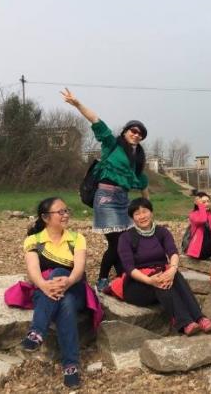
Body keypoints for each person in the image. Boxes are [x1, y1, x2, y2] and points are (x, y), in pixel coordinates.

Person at [62, 88, 149, 292]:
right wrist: (77, 103)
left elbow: (142, 183)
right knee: (117, 242)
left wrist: (147, 207)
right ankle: (102, 279)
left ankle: (122, 275)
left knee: (125, 240)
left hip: (123, 200)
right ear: (125, 131)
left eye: (140, 134)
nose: (136, 135)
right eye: (133, 130)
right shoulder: (113, 145)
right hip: (106, 198)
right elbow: (96, 121)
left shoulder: (137, 158)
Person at [18, 197, 93, 388]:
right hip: (45, 291)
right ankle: (71, 367)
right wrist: (44, 285)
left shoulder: (77, 238)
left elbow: (78, 270)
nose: (65, 215)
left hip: (75, 287)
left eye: (66, 211)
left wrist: (68, 281)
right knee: (66, 303)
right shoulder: (33, 240)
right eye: (60, 212)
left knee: (60, 272)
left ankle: (36, 332)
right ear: (45, 217)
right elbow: (33, 270)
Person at [117, 197, 211, 335]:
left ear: (151, 212)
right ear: (132, 218)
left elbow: (173, 252)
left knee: (174, 275)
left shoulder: (162, 232)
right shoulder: (126, 238)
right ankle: (185, 323)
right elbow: (129, 268)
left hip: (160, 274)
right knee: (160, 282)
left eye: (144, 211)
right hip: (137, 284)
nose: (142, 216)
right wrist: (150, 280)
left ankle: (200, 318)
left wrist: (173, 269)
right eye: (137, 214)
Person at [185, 191, 211, 260]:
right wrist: (201, 206)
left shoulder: (210, 215)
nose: (207, 204)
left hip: (207, 247)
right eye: (203, 202)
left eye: (208, 201)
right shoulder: (193, 215)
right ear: (198, 204)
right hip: (198, 251)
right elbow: (202, 219)